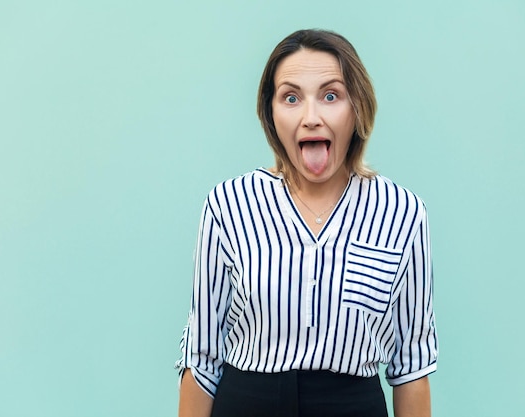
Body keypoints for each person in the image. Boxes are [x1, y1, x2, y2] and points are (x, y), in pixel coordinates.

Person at [177, 29, 438, 417]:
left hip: (353, 405)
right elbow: (202, 355)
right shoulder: (228, 205)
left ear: (358, 108)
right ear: (271, 112)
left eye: (331, 96)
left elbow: (412, 366)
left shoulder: (402, 212)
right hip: (247, 402)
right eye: (291, 97)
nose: (311, 117)